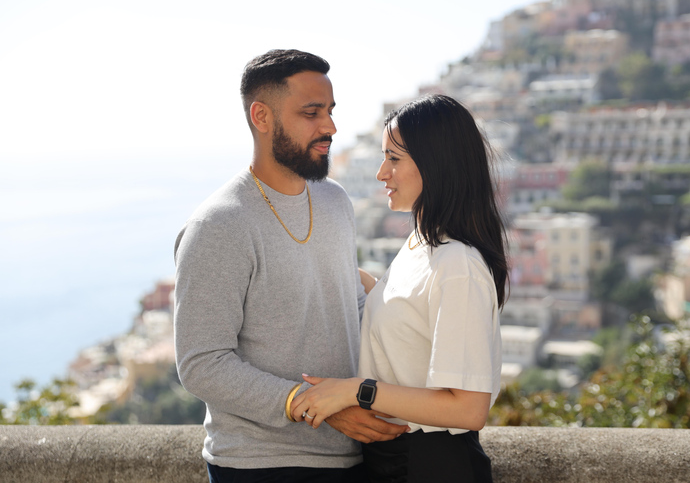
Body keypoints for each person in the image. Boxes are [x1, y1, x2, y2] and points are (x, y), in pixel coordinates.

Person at [173, 49, 408, 483]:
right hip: (262, 466)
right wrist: (319, 406)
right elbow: (201, 363)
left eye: (331, 111)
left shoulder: (335, 201)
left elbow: (346, 310)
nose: (331, 127)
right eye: (311, 112)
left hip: (354, 455)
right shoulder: (219, 224)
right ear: (262, 117)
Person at [291, 94, 509, 482]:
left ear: (436, 164)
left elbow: (468, 409)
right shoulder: (420, 244)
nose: (381, 173)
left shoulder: (458, 264)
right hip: (391, 459)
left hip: (430, 464)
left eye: (394, 158)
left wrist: (357, 391)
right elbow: (407, 313)